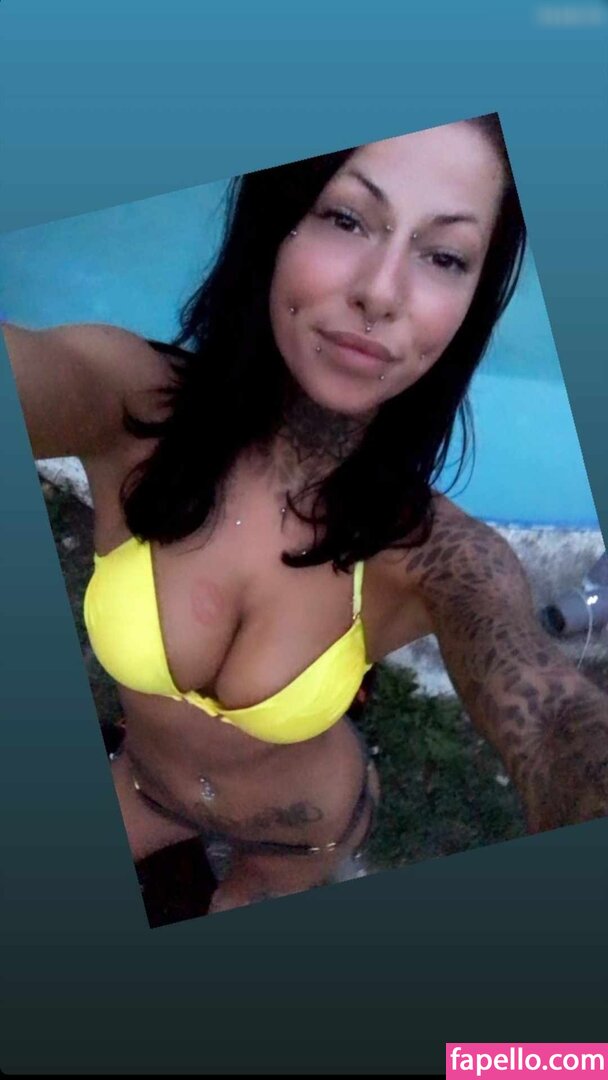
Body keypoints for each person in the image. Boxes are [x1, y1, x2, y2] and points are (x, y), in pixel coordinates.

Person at [4, 114, 608, 916]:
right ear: (277, 220)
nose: (381, 292)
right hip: (143, 787)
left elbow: (554, 719)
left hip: (300, 834)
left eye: (444, 256)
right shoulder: (126, 403)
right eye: (346, 218)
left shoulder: (438, 554)